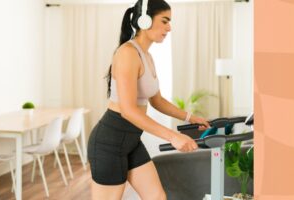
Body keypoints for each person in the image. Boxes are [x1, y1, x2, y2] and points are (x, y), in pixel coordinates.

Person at [87, 0, 210, 199]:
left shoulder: (147, 56)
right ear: (145, 21)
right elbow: (128, 110)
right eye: (165, 21)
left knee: (157, 197)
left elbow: (157, 100)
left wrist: (190, 117)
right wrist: (173, 136)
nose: (169, 27)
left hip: (131, 140)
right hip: (109, 142)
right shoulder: (127, 53)